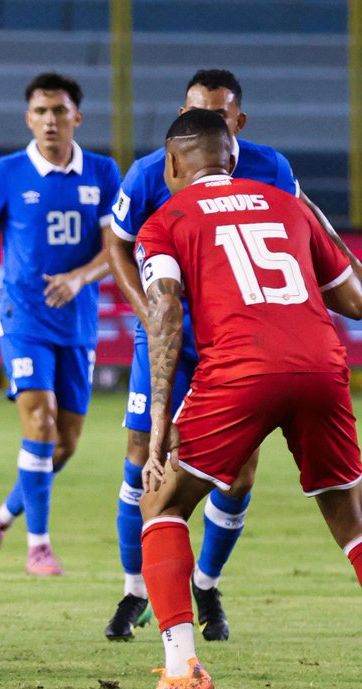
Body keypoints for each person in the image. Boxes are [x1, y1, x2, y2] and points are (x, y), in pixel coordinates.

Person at [103, 69, 362, 642]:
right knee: (350, 518)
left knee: (168, 495)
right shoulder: (281, 197)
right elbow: (355, 296)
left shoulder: (174, 209)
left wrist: (167, 404)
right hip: (309, 355)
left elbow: (166, 302)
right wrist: (314, 222)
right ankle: (133, 591)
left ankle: (185, 644)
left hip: (232, 357)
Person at [0, 72, 121, 576]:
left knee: (65, 444)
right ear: (28, 118)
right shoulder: (7, 172)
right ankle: (38, 546)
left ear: (77, 117)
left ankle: (0, 518)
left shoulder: (102, 172)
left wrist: (80, 277)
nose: (50, 120)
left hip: (78, 324)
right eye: (41, 111)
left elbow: (116, 250)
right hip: (23, 319)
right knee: (40, 422)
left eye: (59, 111)